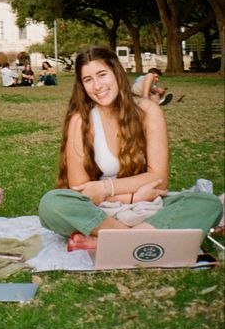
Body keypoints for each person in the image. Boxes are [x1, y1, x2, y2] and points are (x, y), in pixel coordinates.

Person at [38, 46, 222, 251]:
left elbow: (159, 178)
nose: (97, 86)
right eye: (88, 79)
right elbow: (81, 189)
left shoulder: (147, 110)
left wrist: (106, 188)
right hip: (100, 212)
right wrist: (132, 197)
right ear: (82, 85)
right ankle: (139, 240)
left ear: (116, 73)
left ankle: (112, 241)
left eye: (102, 75)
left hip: (148, 206)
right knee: (52, 204)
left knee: (207, 204)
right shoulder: (80, 119)